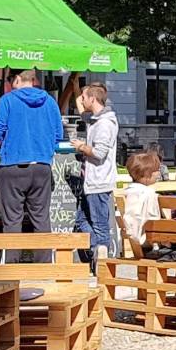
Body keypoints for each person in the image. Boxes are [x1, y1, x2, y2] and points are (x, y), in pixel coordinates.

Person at [0, 70, 62, 255]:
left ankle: (12, 265)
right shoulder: (50, 101)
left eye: (10, 80)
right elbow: (58, 135)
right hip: (42, 165)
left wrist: (6, 143)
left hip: (12, 165)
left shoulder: (7, 100)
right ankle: (44, 265)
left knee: (12, 221)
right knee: (41, 219)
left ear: (17, 79)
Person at [70, 84, 119, 264]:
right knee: (80, 220)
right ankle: (98, 250)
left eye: (85, 97)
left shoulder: (104, 123)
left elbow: (99, 153)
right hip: (91, 181)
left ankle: (102, 255)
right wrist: (75, 84)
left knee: (99, 226)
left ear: (93, 99)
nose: (82, 100)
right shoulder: (95, 119)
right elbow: (80, 106)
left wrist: (81, 146)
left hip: (99, 181)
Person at [118, 151, 165, 255]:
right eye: (156, 170)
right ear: (147, 173)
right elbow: (154, 219)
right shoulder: (149, 193)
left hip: (133, 237)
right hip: (149, 242)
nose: (159, 173)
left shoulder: (127, 192)